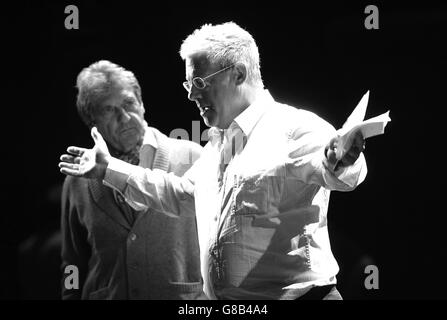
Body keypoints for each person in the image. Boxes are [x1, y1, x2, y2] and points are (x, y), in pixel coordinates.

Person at [59, 23, 367, 300]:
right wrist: (108, 168)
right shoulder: (220, 144)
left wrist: (340, 160)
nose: (192, 95)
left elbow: (338, 170)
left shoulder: (293, 127)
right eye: (188, 85)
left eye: (200, 83)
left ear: (239, 74)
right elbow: (180, 194)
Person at [60, 60, 205, 300]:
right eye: (108, 110)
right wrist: (69, 296)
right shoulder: (77, 180)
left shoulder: (191, 157)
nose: (125, 117)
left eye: (129, 103)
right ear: (91, 122)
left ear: (142, 104)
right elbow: (71, 262)